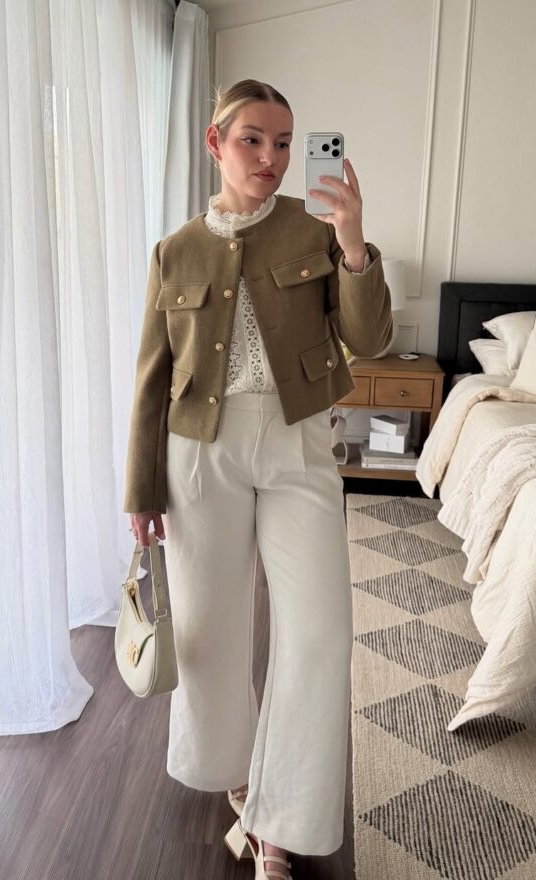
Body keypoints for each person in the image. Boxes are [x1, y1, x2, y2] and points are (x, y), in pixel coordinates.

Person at [124, 78, 393, 879]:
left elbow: (369, 340)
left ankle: (284, 824)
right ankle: (237, 775)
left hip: (297, 443)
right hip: (196, 450)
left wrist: (352, 241)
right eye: (253, 140)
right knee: (210, 629)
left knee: (318, 632)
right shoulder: (176, 251)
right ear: (217, 143)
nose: (272, 158)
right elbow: (151, 375)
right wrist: (141, 488)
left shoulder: (314, 233)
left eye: (283, 142)